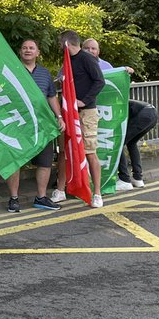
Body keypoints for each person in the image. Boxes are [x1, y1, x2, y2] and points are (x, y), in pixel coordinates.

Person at [3, 39, 65, 213]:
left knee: (45, 162)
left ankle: (41, 197)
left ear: (38, 53)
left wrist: (59, 116)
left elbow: (51, 97)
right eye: (24, 48)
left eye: (31, 48)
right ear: (20, 52)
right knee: (15, 161)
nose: (27, 50)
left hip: (42, 125)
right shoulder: (11, 72)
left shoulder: (45, 74)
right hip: (18, 124)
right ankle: (14, 198)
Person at [52, 30, 105, 207]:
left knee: (89, 151)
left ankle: (96, 193)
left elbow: (100, 81)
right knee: (64, 151)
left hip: (85, 113)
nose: (59, 47)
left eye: (60, 44)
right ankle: (60, 190)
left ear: (67, 44)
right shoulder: (68, 61)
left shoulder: (86, 58)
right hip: (68, 113)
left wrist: (84, 101)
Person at [115, 100, 159, 190]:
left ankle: (124, 180)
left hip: (143, 114)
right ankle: (137, 178)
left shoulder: (112, 104)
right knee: (132, 142)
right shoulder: (120, 98)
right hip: (152, 112)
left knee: (118, 143)